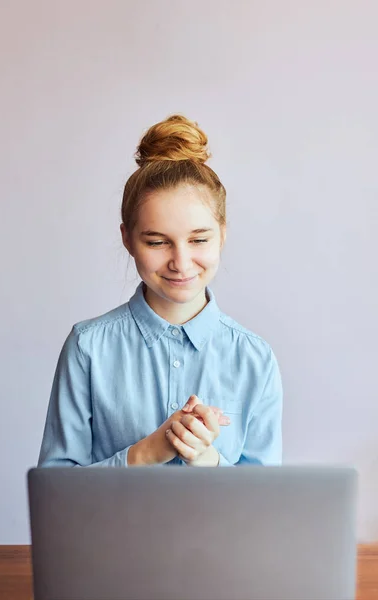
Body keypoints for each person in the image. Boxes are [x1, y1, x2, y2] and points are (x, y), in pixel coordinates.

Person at [38, 114, 282, 468]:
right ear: (127, 239)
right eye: (156, 241)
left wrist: (209, 460)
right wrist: (148, 451)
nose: (181, 263)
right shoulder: (87, 348)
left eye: (199, 239)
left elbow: (267, 508)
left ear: (223, 234)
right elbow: (56, 494)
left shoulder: (255, 359)